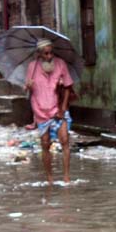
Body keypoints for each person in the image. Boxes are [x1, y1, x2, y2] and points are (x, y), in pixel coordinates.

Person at [25, 39, 74, 184]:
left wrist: (63, 107)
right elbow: (28, 89)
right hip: (40, 110)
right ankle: (50, 178)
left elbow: (68, 87)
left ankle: (66, 176)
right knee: (45, 144)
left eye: (51, 52)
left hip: (58, 109)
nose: (49, 56)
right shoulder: (32, 67)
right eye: (46, 53)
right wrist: (28, 86)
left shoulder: (60, 64)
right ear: (39, 54)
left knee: (65, 140)